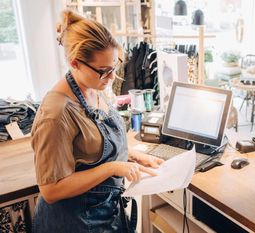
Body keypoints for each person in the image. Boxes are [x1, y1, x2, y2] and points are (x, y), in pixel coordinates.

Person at [31, 10, 163, 232]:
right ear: (75, 63)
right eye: (104, 71)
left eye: (114, 67)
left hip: (104, 213)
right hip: (75, 223)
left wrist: (130, 155)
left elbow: (90, 146)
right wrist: (113, 167)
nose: (111, 78)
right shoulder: (56, 113)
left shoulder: (93, 88)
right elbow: (50, 190)